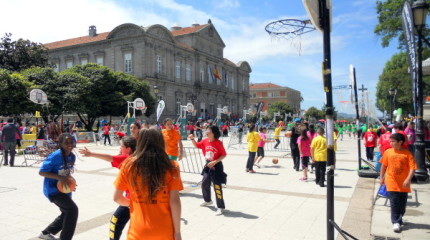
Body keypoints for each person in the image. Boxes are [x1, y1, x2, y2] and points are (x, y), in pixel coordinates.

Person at [114, 128, 183, 240]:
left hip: (137, 232)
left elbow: (117, 198)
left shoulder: (128, 164)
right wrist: (178, 232)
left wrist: (134, 204)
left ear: (140, 142)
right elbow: (175, 202)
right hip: (164, 231)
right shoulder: (172, 166)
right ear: (161, 142)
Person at [79, 136, 136, 240]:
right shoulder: (135, 157)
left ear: (128, 149)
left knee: (116, 221)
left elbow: (110, 157)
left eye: (121, 147)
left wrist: (91, 154)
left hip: (131, 201)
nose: (119, 149)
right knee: (118, 221)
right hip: (133, 200)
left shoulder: (127, 159)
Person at [38, 133, 78, 240]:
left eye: (71, 142)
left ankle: (47, 233)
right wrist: (59, 177)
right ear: (60, 144)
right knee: (73, 210)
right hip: (53, 190)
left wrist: (71, 183)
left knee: (67, 212)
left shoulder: (72, 157)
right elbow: (41, 172)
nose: (69, 144)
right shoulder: (55, 156)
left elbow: (67, 173)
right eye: (66, 143)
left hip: (64, 190)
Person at [379, 133, 416, 233]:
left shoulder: (407, 154)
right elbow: (383, 166)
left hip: (403, 183)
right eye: (390, 141)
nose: (390, 143)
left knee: (402, 204)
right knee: (394, 202)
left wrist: (408, 179)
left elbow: (412, 168)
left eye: (393, 141)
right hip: (391, 181)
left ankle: (399, 217)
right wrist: (381, 177)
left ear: (400, 142)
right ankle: (396, 221)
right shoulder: (388, 152)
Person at [189, 125, 227, 215]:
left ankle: (220, 207)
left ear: (213, 132)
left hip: (217, 166)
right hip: (208, 165)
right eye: (206, 130)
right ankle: (208, 200)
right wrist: (192, 139)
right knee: (204, 183)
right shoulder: (205, 141)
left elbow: (224, 154)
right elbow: (197, 145)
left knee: (217, 187)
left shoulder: (218, 143)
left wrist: (215, 162)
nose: (206, 132)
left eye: (208, 130)